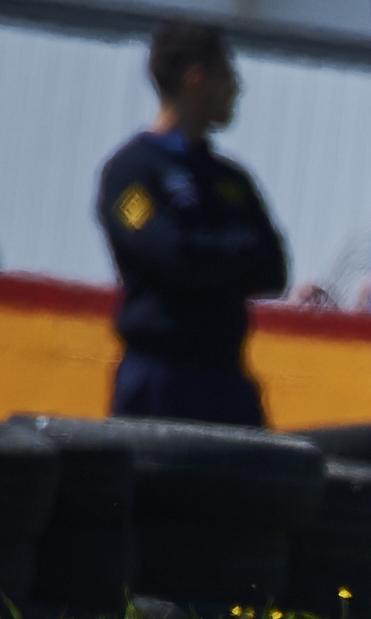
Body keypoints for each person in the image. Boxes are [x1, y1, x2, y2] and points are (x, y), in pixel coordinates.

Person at [96, 21, 288, 425]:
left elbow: (274, 267)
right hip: (158, 378)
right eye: (228, 77)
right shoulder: (131, 174)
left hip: (227, 379)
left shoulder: (231, 180)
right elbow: (169, 255)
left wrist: (204, 253)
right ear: (196, 80)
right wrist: (232, 252)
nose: (236, 89)